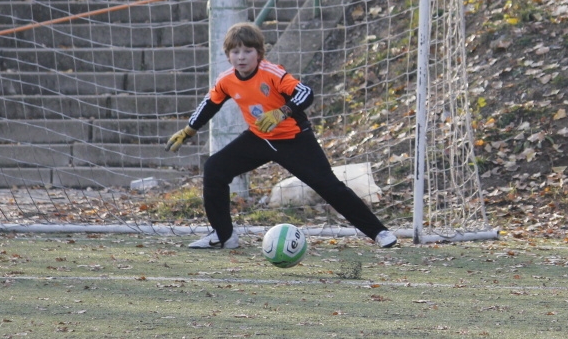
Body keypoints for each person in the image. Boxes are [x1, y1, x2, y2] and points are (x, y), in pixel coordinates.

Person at [166, 22, 397, 250]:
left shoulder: (271, 73)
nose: (241, 57)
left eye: (248, 51)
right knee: (215, 168)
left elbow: (305, 93)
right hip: (259, 138)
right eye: (235, 51)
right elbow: (210, 103)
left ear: (259, 53)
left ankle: (379, 232)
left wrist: (282, 112)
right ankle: (223, 236)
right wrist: (189, 130)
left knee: (329, 187)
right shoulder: (226, 79)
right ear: (228, 55)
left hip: (294, 139)